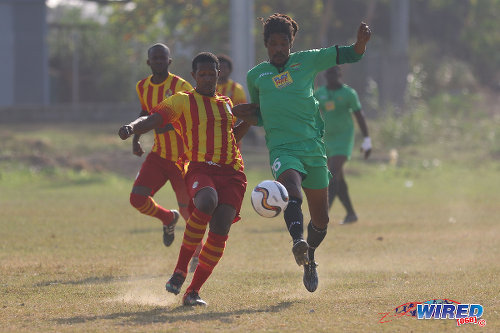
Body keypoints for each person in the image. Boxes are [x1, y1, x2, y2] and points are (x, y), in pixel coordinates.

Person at [234, 13, 371, 293]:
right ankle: (297, 241)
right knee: (290, 192)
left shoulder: (307, 60)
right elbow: (261, 116)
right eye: (273, 43)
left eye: (284, 43)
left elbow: (349, 55)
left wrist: (360, 44)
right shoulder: (256, 75)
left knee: (321, 220)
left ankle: (309, 257)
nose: (279, 48)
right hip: (282, 148)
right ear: (266, 45)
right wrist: (243, 118)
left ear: (291, 42)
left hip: (313, 147)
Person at [118, 52, 251, 306]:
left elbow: (233, 134)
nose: (207, 78)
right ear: (194, 76)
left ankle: (193, 291)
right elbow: (152, 118)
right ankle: (180, 270)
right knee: (205, 202)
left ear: (218, 74)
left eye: (212, 73)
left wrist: (253, 119)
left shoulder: (226, 103)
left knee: (221, 227)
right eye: (202, 74)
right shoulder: (181, 101)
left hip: (233, 172)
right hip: (200, 168)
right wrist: (133, 128)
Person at [130, 43, 197, 254]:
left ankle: (197, 254)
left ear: (169, 61)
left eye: (162, 58)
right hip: (159, 156)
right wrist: (135, 139)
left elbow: (190, 115)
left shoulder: (181, 86)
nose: (159, 61)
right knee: (137, 199)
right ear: (148, 61)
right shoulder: (142, 86)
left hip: (182, 160)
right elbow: (144, 112)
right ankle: (168, 218)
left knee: (189, 212)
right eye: (155, 58)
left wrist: (159, 122)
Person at [314, 66, 371, 224]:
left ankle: (321, 216)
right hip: (326, 140)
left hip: (343, 139)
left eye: (335, 73)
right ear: (325, 75)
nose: (331, 76)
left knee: (331, 176)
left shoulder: (348, 94)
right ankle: (351, 214)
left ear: (340, 74)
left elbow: (359, 115)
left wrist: (367, 140)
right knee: (338, 179)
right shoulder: (320, 93)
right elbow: (312, 114)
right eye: (329, 73)